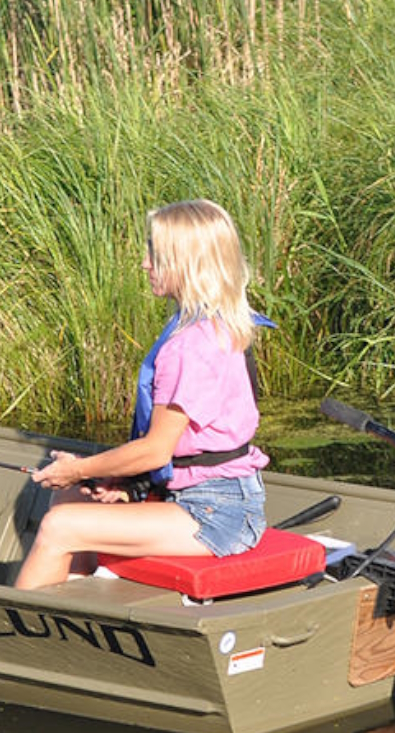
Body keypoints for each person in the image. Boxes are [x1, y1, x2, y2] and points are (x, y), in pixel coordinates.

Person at [16, 200, 269, 590]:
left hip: (217, 514)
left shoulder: (191, 346)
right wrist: (112, 478)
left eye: (156, 255)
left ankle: (22, 626)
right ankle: (76, 607)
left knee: (59, 526)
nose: (144, 264)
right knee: (71, 497)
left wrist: (80, 468)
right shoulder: (208, 323)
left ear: (188, 262)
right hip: (200, 496)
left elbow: (155, 452)